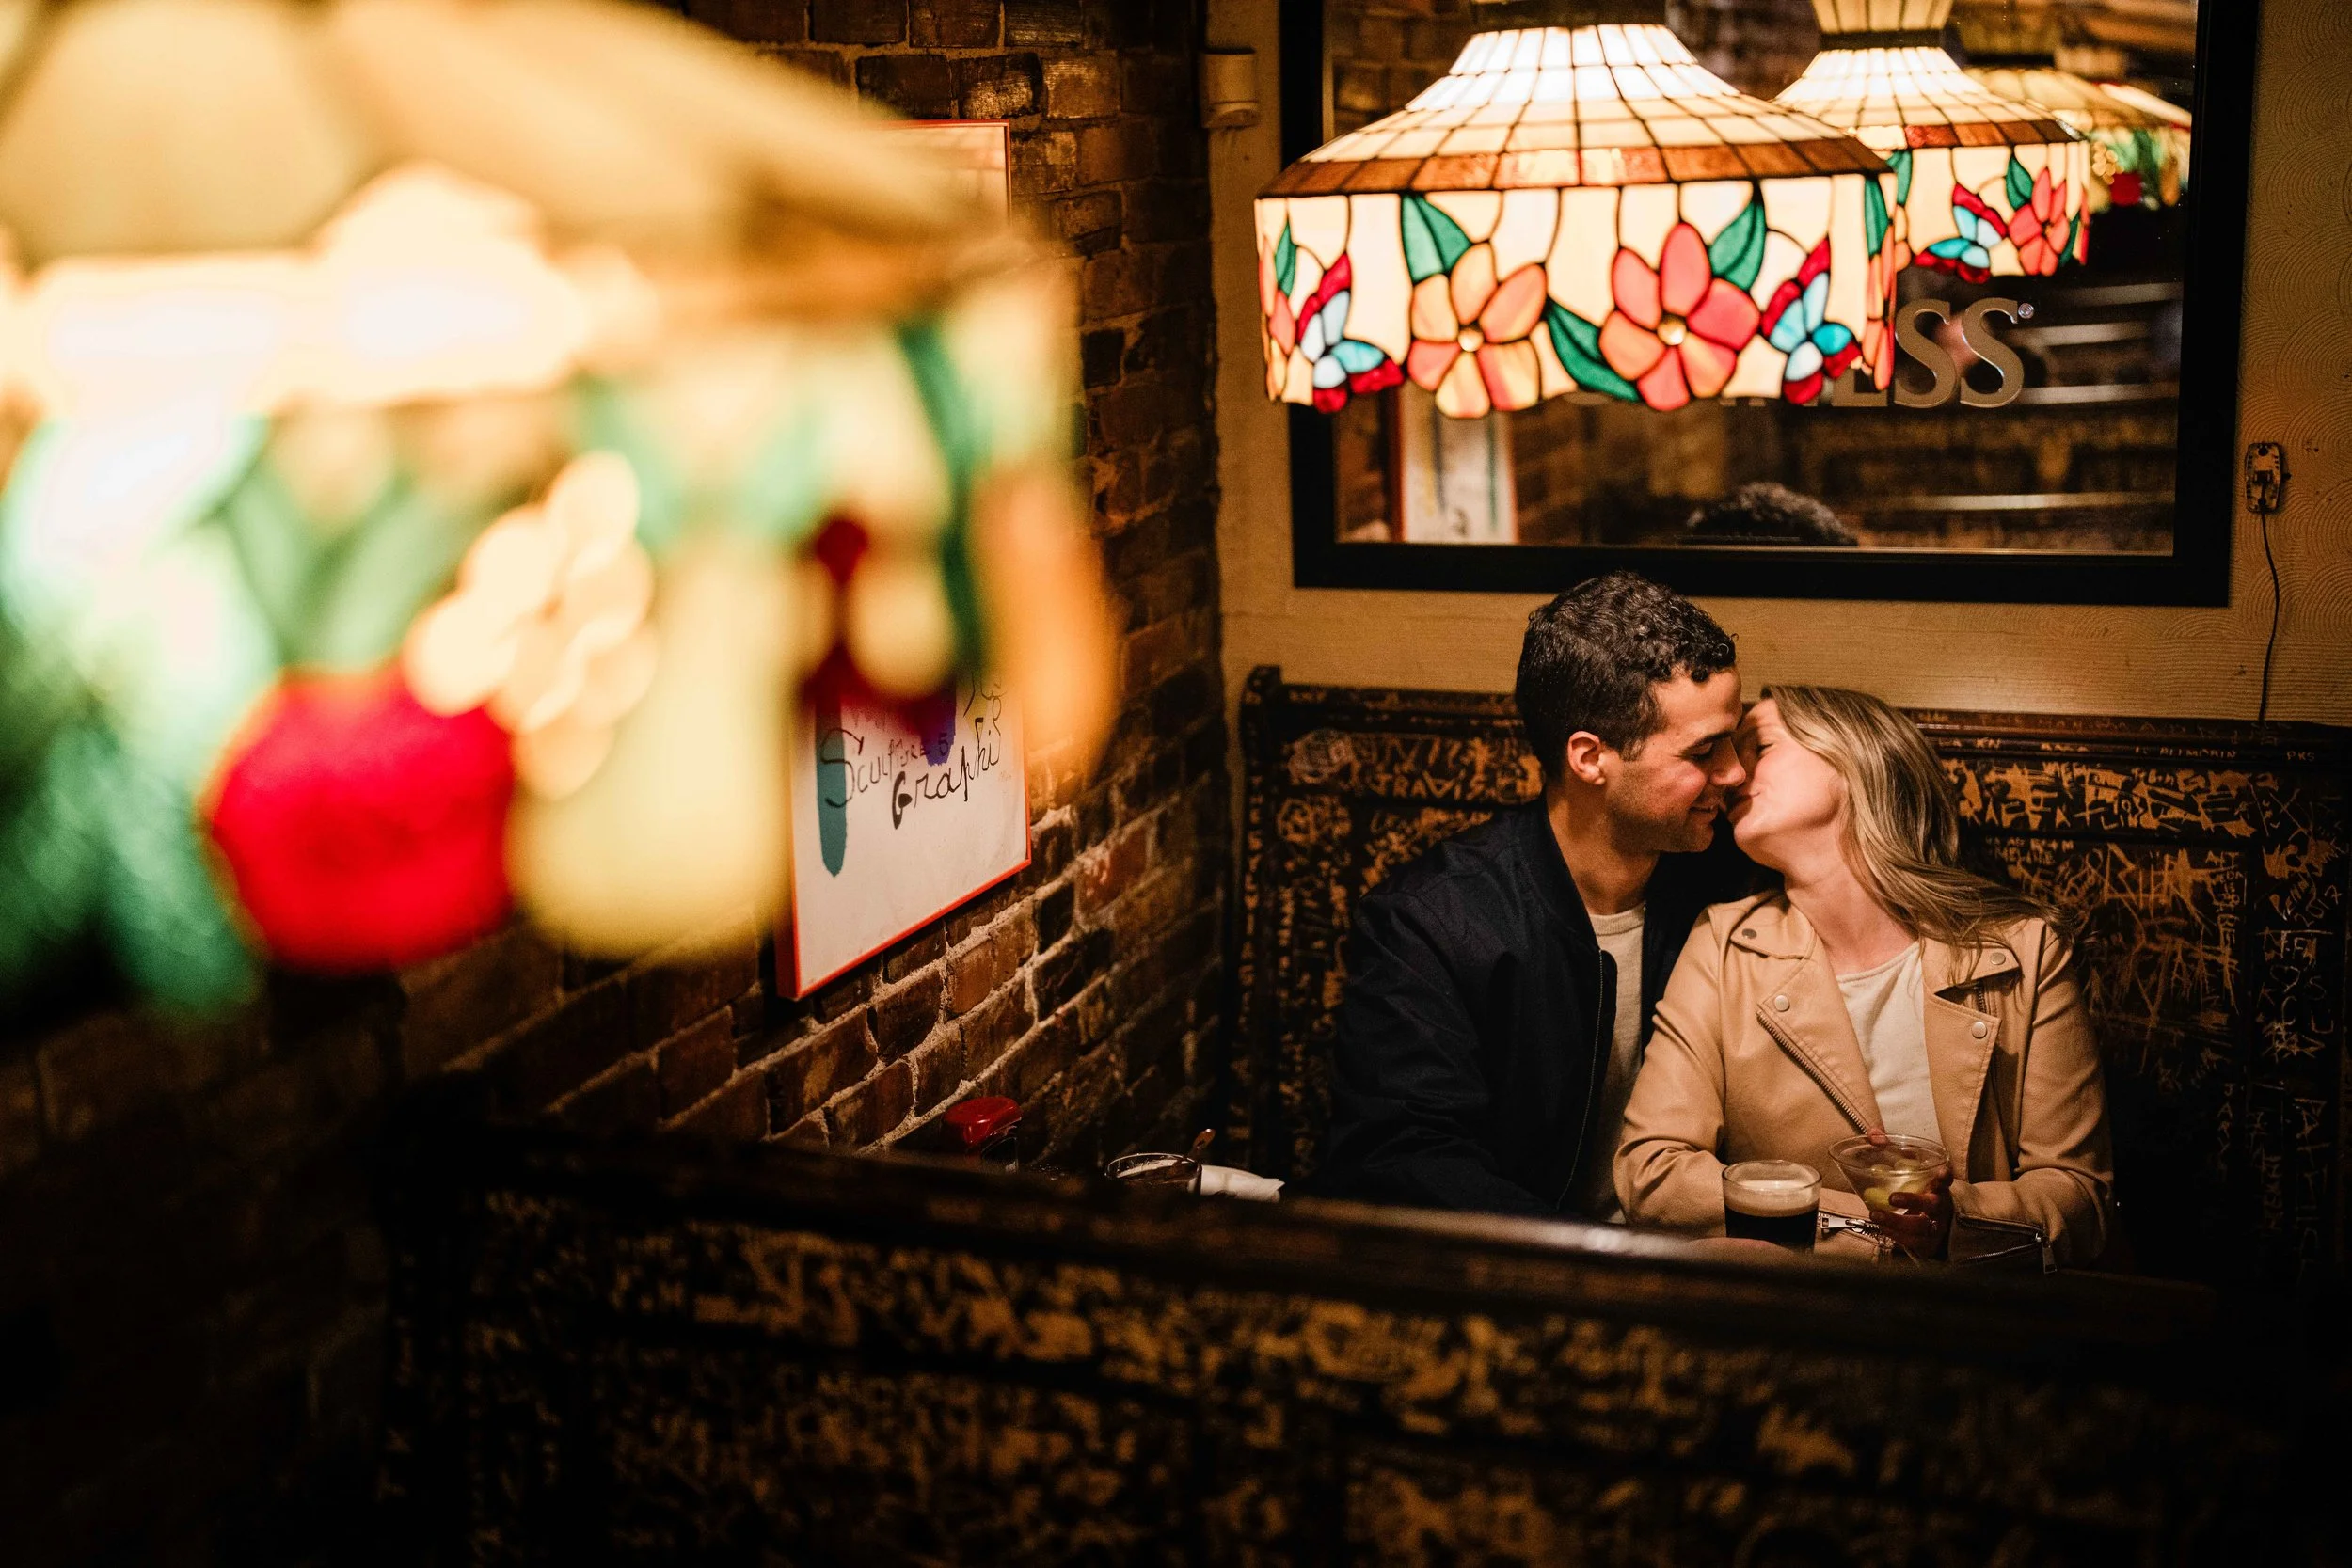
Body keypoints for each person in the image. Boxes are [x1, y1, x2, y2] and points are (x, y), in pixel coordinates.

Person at [1614, 686, 2115, 1265]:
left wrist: (1960, 1224)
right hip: (1802, 1323)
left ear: (1855, 757)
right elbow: (1651, 1172)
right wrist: (1874, 1229)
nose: (1727, 776)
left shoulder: (2022, 952)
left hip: (1979, 1328)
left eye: (1760, 747)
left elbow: (2080, 1196)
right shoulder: (1724, 944)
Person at [1316, 573, 1749, 1217]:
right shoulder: (1432, 919)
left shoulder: (1730, 880)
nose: (1735, 771)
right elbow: (1407, 1156)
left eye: (1735, 740)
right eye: (1705, 750)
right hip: (1524, 1280)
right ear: (1589, 758)